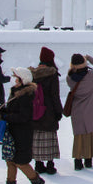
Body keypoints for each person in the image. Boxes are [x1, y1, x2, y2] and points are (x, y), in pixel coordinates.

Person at [0, 67, 46, 184]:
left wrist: (6, 116)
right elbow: (13, 112)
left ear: (22, 79)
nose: (13, 78)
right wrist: (0, 110)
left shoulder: (26, 95)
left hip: (22, 133)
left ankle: (36, 180)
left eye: (15, 76)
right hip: (13, 132)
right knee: (10, 160)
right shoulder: (16, 92)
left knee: (20, 161)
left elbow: (23, 117)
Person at [66, 53, 93, 170]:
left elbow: (72, 73)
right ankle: (88, 160)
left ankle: (77, 161)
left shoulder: (70, 78)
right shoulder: (89, 75)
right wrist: (88, 58)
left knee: (79, 136)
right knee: (91, 134)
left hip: (77, 110)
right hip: (91, 109)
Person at [31, 46, 62, 175]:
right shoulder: (52, 73)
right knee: (49, 137)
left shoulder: (34, 73)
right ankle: (50, 164)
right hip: (48, 110)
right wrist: (58, 111)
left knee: (37, 137)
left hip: (36, 110)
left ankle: (38, 164)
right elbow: (55, 95)